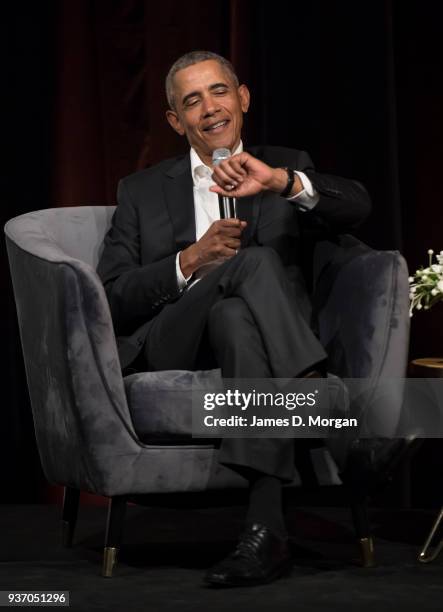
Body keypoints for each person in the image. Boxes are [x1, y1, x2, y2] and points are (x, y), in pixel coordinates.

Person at [97, 50, 371, 587]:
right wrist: (188, 261)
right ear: (177, 121)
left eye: (219, 91)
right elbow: (109, 295)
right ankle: (318, 401)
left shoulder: (282, 165)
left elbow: (358, 207)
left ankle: (262, 536)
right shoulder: (141, 190)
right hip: (175, 336)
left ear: (242, 97)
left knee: (234, 320)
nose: (210, 108)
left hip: (258, 345)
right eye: (191, 101)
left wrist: (283, 183)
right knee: (255, 261)